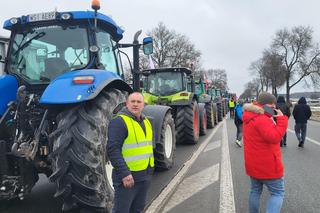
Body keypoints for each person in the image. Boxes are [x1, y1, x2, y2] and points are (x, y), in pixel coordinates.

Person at [107, 92, 154, 213]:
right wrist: (124, 174)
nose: (135, 104)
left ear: (143, 105)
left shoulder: (146, 122)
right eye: (132, 101)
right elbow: (113, 149)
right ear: (127, 104)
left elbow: (148, 148)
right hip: (127, 178)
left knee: (138, 209)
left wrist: (150, 171)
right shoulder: (119, 121)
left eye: (139, 102)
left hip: (144, 177)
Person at [242, 92, 288, 213]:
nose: (274, 109)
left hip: (253, 164)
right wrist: (282, 120)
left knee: (255, 191)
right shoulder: (262, 119)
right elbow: (274, 137)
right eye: (272, 107)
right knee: (278, 193)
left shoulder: (250, 115)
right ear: (265, 105)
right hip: (268, 166)